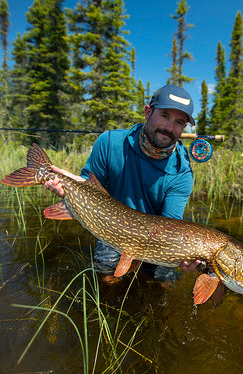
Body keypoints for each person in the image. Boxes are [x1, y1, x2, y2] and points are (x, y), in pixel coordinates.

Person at [44, 84, 201, 278]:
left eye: (178, 122)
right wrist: (68, 186)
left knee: (164, 282)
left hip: (157, 241)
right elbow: (90, 184)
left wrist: (187, 258)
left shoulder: (182, 172)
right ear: (148, 112)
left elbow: (171, 224)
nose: (169, 128)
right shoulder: (109, 143)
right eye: (165, 116)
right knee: (106, 277)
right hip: (113, 228)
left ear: (184, 127)